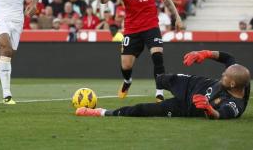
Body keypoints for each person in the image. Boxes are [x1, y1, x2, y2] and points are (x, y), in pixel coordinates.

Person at [97, 0, 183, 102]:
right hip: (131, 28)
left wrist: (177, 17)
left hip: (151, 25)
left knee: (157, 55)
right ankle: (127, 81)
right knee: (126, 65)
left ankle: (159, 92)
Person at [76, 50, 250, 120]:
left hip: (186, 107)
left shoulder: (234, 105)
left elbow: (220, 116)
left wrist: (208, 109)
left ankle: (101, 112)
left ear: (233, 84)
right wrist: (203, 53)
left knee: (143, 110)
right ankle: (159, 91)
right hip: (191, 83)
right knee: (161, 78)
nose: (222, 75)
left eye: (225, 77)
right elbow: (228, 58)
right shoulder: (238, 76)